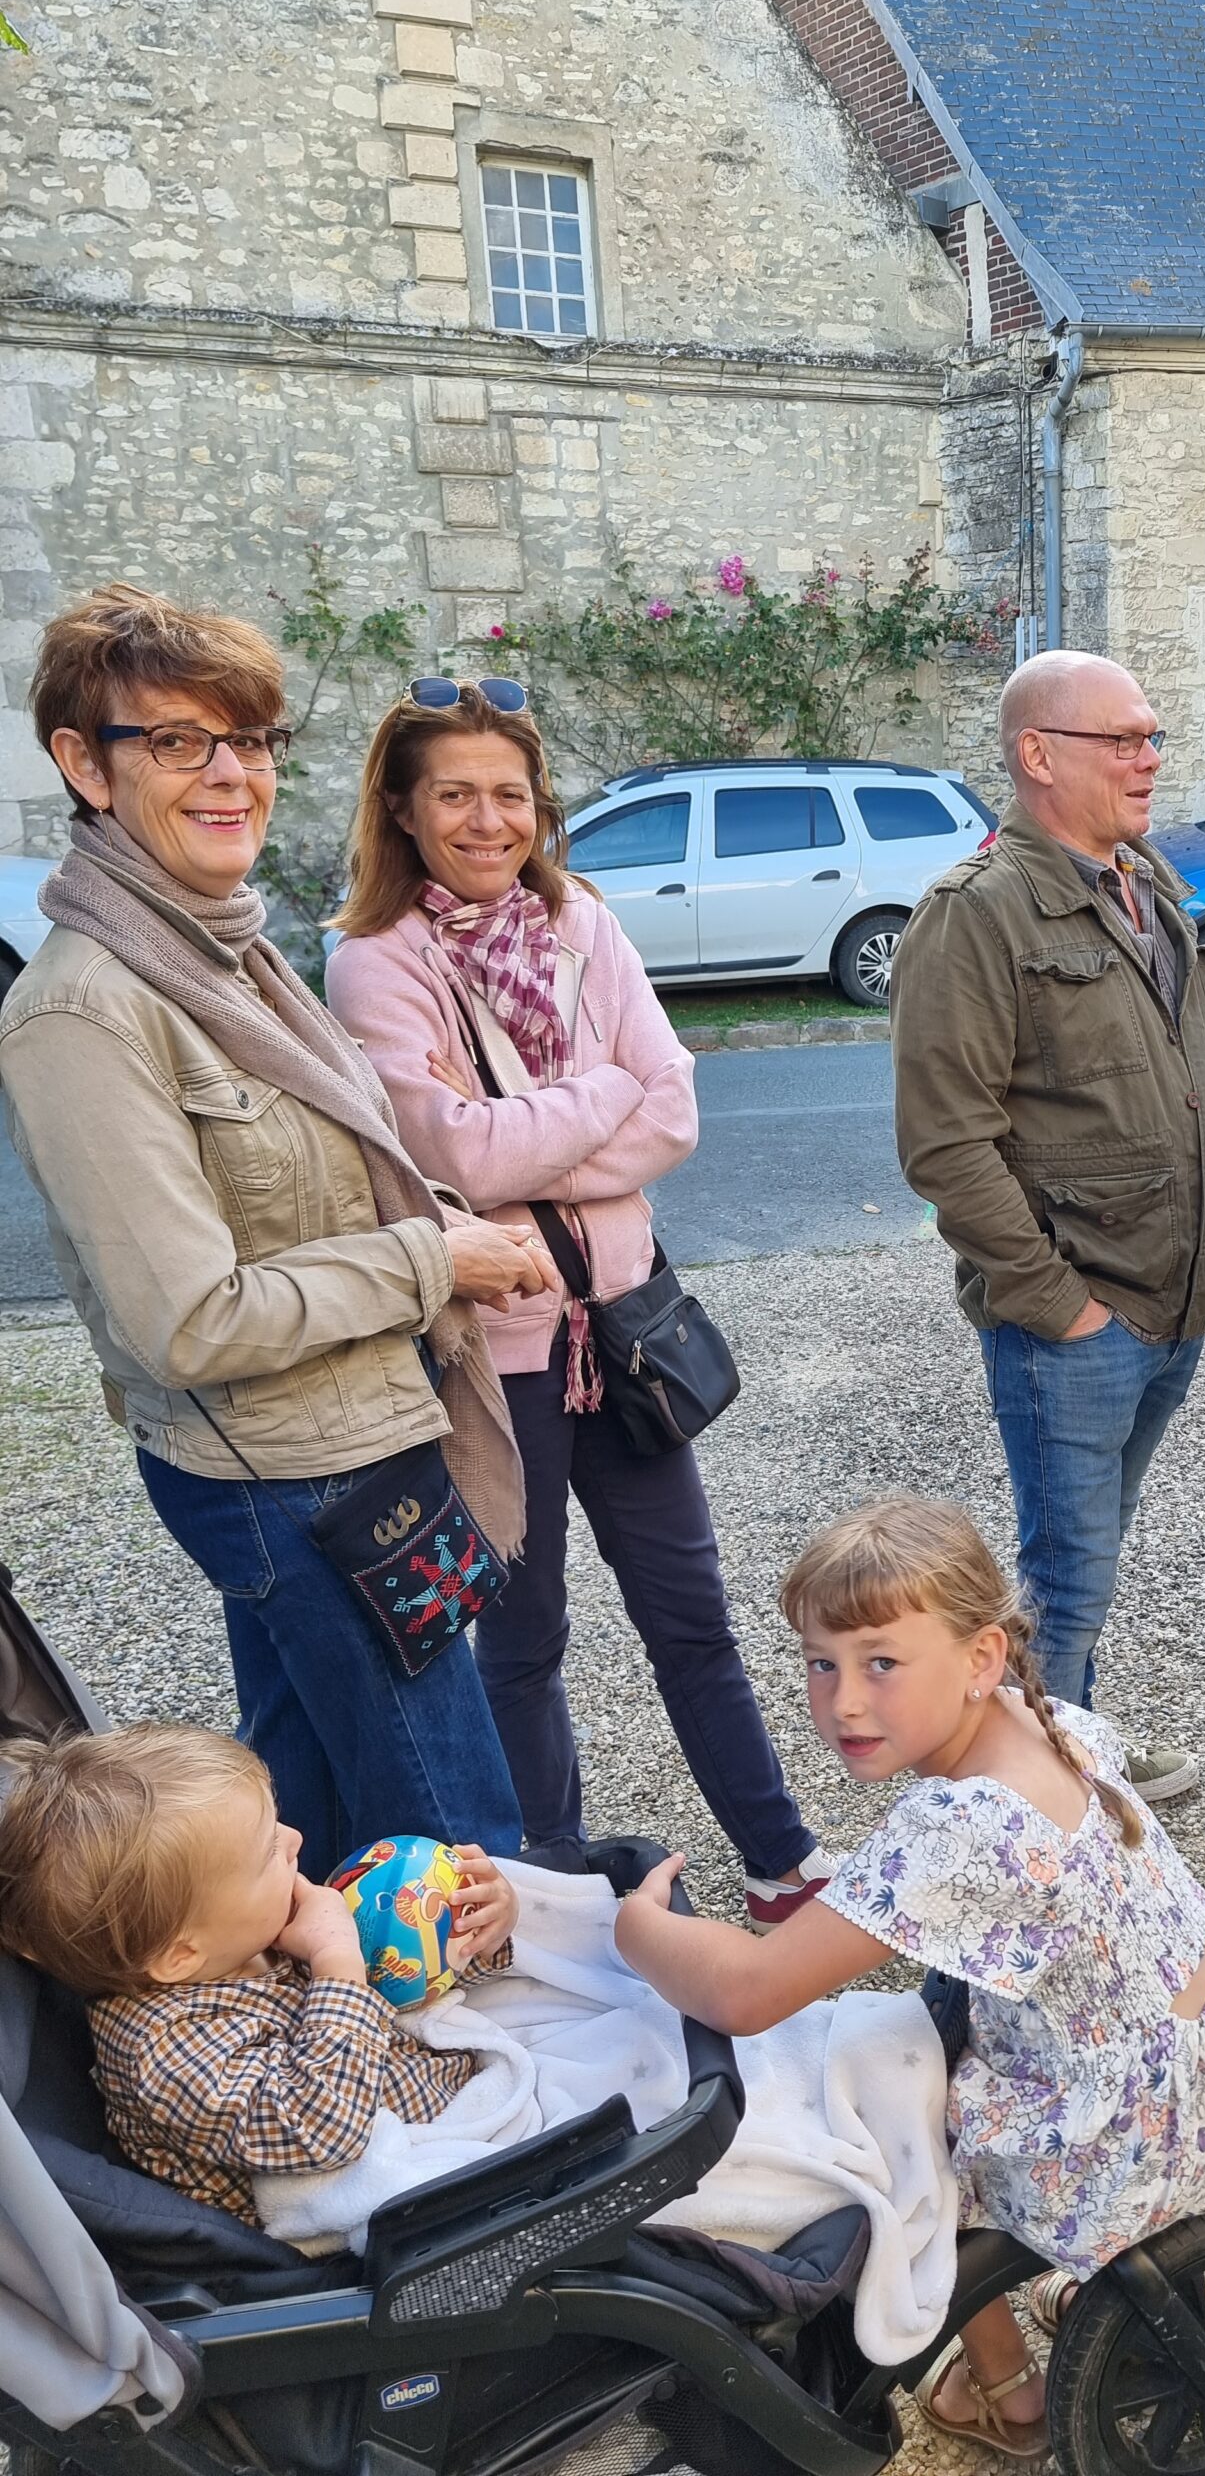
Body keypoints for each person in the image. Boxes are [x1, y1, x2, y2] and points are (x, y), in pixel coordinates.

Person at [0, 587, 557, 1876]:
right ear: (84, 764)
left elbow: (320, 1184)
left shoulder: (225, 954)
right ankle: (467, 2015)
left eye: (250, 740)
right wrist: (436, 1258)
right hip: (292, 1477)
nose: (231, 774)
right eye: (177, 741)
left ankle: (315, 2002)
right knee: (456, 1847)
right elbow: (187, 1319)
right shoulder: (84, 1010)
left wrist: (431, 1219)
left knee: (305, 1815)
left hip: (353, 1440)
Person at [326, 680, 829, 1931]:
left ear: (538, 806)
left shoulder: (581, 922)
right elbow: (454, 1151)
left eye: (509, 794)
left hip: (624, 1331)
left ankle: (782, 1863)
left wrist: (538, 1128)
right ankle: (543, 1888)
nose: (487, 820)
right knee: (523, 1636)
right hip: (499, 1356)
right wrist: (602, 1090)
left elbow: (676, 1108)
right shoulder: (374, 963)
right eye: (455, 793)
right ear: (402, 808)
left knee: (692, 1617)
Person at [614, 1497, 1205, 2457]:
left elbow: (746, 1992)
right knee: (901, 2051)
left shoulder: (964, 1831)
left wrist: (638, 1929)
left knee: (900, 2138)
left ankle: (1007, 2389)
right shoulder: (1046, 1721)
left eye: (881, 1662)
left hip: (1120, 2129)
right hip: (1197, 2055)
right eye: (822, 1663)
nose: (843, 1701)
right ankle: (1072, 2279)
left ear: (981, 1659)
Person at [889, 651, 1205, 1803]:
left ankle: (1064, 1744)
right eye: (1122, 740)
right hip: (1079, 1319)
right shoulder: (976, 914)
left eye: (1152, 738)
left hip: (1171, 1299)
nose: (1149, 760)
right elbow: (945, 1144)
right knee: (1066, 1582)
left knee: (1089, 1558)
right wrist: (1061, 1305)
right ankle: (1040, 1802)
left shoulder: (1145, 883)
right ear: (1038, 755)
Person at [0, 1722, 517, 2224]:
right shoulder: (166, 2054)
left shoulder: (239, 1932)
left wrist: (475, 1934)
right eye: (268, 1850)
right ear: (180, 1956)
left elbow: (393, 1978)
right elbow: (323, 2129)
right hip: (399, 2185)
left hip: (443, 2096)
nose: (295, 1839)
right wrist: (335, 1961)